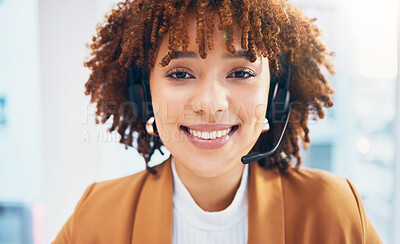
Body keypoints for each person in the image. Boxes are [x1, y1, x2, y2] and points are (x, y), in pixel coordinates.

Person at [53, 0, 382, 243]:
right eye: (180, 73)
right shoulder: (96, 218)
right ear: (143, 94)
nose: (210, 105)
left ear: (276, 95)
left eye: (240, 73)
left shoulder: (335, 213)